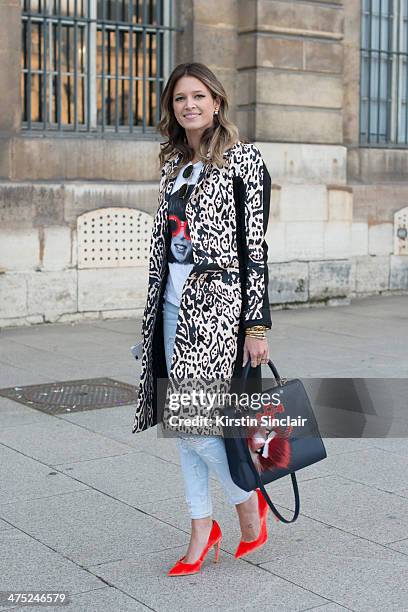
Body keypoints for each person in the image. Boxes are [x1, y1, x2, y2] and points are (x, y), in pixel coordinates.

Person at [132, 62, 273, 576]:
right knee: (183, 425)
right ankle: (201, 525)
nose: (188, 105)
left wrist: (256, 327)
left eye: (198, 96)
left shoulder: (243, 161)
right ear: (171, 109)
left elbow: (254, 247)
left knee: (191, 424)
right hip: (169, 308)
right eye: (178, 99)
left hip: (217, 312)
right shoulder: (174, 165)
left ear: (216, 102)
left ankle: (245, 504)